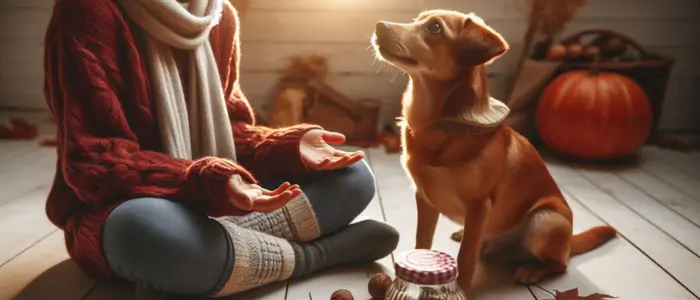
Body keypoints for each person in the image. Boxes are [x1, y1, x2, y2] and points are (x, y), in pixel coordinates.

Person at [42, 0, 399, 297]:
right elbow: (95, 160)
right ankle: (317, 255)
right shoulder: (87, 10)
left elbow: (231, 128)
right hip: (124, 204)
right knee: (144, 231)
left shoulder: (218, 14)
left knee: (353, 175)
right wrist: (209, 179)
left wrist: (285, 147)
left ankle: (226, 254)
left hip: (218, 192)